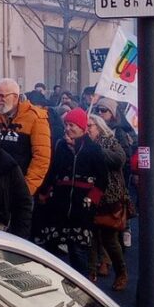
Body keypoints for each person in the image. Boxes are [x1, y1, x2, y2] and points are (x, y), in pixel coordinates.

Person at [36, 108, 107, 275]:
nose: (68, 128)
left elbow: (102, 179)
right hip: (59, 205)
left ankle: (81, 283)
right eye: (66, 124)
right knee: (52, 249)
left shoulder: (93, 149)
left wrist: (91, 200)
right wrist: (44, 192)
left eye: (72, 125)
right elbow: (52, 171)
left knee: (78, 251)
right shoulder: (61, 145)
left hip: (81, 208)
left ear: (82, 127)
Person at [0, 78, 52, 196]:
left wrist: (26, 190)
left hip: (21, 188)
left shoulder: (35, 118)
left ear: (15, 97)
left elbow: (41, 158)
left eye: (2, 96)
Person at [86, 114, 128, 292]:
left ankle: (121, 273)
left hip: (109, 196)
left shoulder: (109, 141)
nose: (87, 129)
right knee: (89, 237)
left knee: (109, 239)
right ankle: (90, 274)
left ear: (99, 127)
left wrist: (97, 150)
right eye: (85, 126)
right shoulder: (82, 144)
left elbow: (120, 159)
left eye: (90, 126)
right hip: (88, 194)